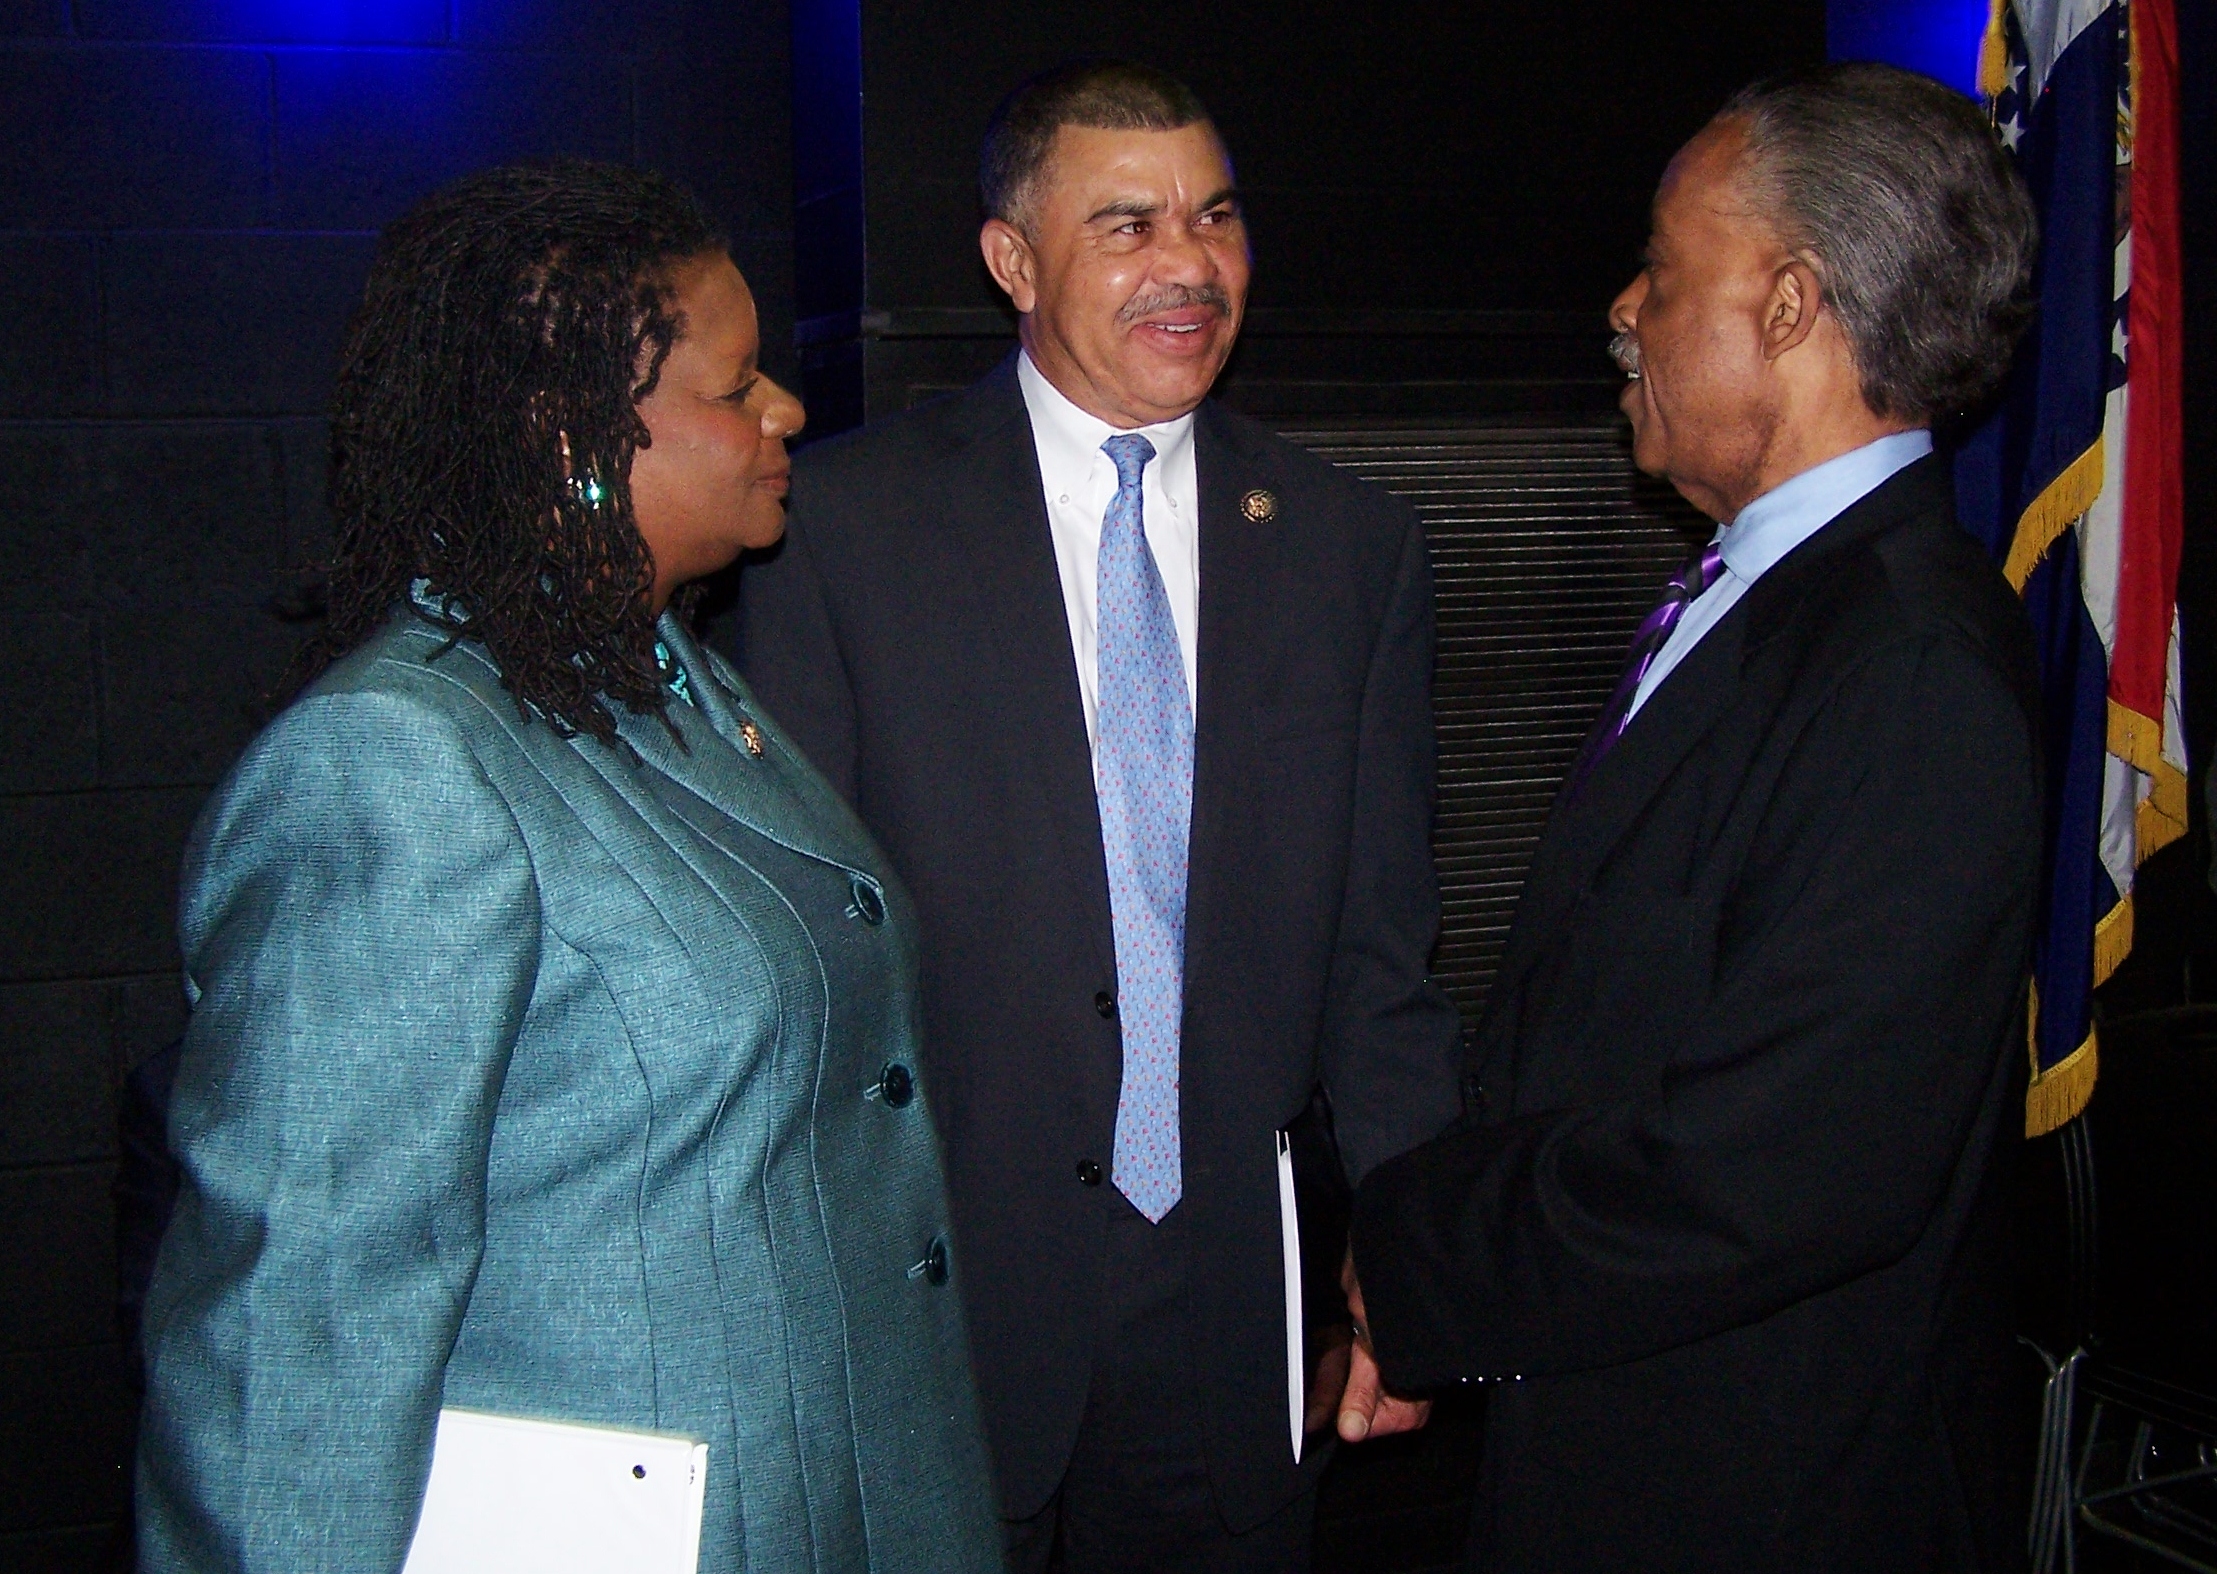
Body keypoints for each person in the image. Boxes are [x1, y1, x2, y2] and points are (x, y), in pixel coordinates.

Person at [135, 159, 1002, 1574]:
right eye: (732, 389)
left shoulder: (668, 676)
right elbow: (299, 1336)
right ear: (570, 437)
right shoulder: (395, 760)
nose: (783, 408)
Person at [723, 59, 1463, 1574]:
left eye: (1214, 217)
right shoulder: (836, 535)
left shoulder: (1346, 551)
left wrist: (1412, 1265)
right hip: (942, 1311)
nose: (1187, 263)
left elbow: (1382, 966)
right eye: (1126, 224)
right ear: (1012, 260)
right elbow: (790, 973)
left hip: (1236, 1318)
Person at [1341, 64, 2044, 1571]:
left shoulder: (1905, 666)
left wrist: (1414, 1256)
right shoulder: (1778, 600)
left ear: (1786, 306)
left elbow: (1767, 1170)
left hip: (1768, 1496)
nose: (1623, 308)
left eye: (1662, 272)